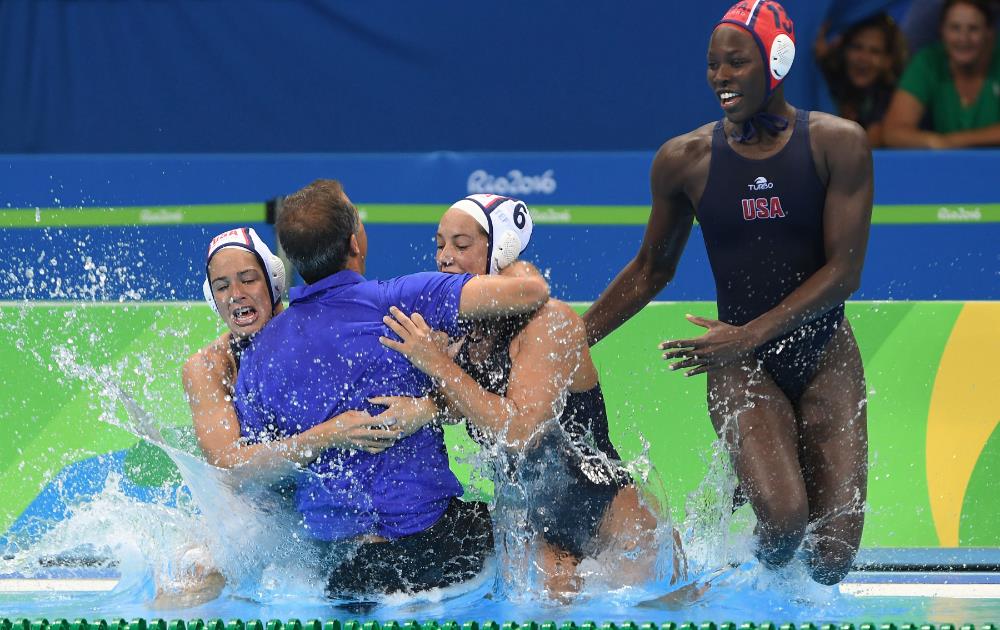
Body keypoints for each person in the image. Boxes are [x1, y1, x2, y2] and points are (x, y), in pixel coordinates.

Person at [582, 0, 872, 586]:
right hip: (740, 363)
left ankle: (765, 529)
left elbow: (844, 273)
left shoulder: (837, 145)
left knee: (833, 559)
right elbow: (648, 271)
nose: (719, 76)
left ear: (777, 60)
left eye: (735, 63)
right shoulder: (684, 161)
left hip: (824, 354)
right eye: (713, 64)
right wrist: (570, 341)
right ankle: (749, 583)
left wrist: (754, 331)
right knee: (787, 522)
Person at [232, 179, 551, 599]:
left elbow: (251, 475)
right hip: (431, 548)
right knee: (530, 534)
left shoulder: (258, 357)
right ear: (355, 243)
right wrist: (507, 245)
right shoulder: (404, 299)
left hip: (327, 564)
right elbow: (531, 291)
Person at [379, 194, 668, 600]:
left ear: (498, 250)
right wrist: (429, 404)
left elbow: (519, 432)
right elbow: (469, 406)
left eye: (461, 245)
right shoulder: (465, 331)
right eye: (439, 244)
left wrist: (438, 366)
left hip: (613, 523)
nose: (444, 257)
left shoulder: (549, 323)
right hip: (537, 532)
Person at [883, 0, 1000, 148]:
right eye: (955, 28)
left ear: (989, 33)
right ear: (941, 31)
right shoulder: (928, 61)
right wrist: (934, 142)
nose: (963, 39)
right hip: (946, 167)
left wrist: (954, 141)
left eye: (973, 29)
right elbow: (893, 133)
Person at [814, 13, 908, 146]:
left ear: (888, 61)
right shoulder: (829, 78)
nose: (863, 58)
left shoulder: (889, 95)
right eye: (857, 47)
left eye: (874, 51)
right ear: (844, 51)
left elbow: (869, 145)